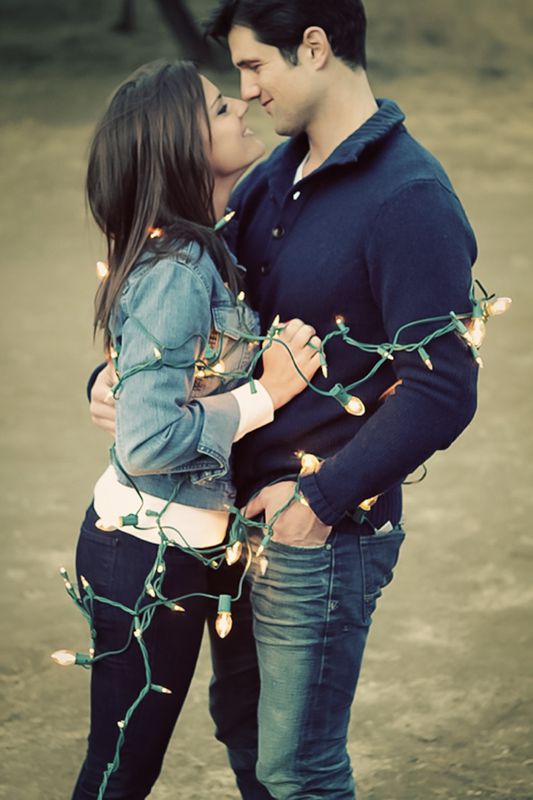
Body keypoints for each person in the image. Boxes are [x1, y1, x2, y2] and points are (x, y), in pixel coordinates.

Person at [90, 1, 479, 797]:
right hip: (236, 523)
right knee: (243, 729)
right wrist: (109, 383)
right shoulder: (272, 179)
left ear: (313, 48)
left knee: (297, 769)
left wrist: (320, 498)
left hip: (320, 534)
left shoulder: (409, 197)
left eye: (254, 66)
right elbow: (177, 314)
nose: (246, 89)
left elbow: (442, 385)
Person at [70, 59, 323, 799]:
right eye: (219, 108)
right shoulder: (179, 265)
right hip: (147, 557)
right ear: (182, 142)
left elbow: (162, 375)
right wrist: (266, 394)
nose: (240, 107)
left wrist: (108, 383)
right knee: (122, 768)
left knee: (202, 745)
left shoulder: (203, 246)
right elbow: (146, 445)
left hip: (197, 547)